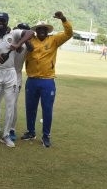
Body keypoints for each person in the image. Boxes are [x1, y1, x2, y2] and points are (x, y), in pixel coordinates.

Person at [0, 13, 34, 147]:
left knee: (10, 105)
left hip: (10, 73)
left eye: (4, 20)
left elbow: (31, 32)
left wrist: (18, 44)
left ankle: (6, 135)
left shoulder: (14, 34)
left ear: (7, 21)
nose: (1, 23)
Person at [21, 11, 73, 148]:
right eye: (39, 29)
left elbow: (69, 33)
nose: (42, 31)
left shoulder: (54, 40)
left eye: (44, 29)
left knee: (47, 109)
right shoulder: (30, 41)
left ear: (47, 30)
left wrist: (63, 19)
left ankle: (46, 135)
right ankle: (31, 132)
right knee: (30, 108)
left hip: (47, 81)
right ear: (36, 31)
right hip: (32, 80)